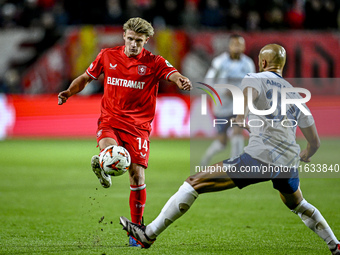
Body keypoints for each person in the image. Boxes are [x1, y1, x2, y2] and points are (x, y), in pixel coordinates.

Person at [119, 44, 340, 254]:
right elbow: (315, 142)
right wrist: (306, 154)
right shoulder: (295, 93)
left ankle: (148, 234)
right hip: (288, 163)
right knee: (298, 203)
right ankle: (335, 245)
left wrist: (241, 115)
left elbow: (250, 93)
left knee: (194, 183)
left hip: (260, 159)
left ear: (263, 62)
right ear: (282, 65)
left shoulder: (254, 78)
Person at [57, 17, 192, 247]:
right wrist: (69, 92)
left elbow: (173, 73)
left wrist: (181, 80)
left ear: (146, 40)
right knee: (111, 150)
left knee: (137, 175)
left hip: (138, 128)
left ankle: (136, 229)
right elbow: (85, 78)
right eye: (130, 39)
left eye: (138, 41)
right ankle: (104, 163)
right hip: (110, 120)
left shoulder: (154, 62)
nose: (133, 44)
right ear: (124, 37)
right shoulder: (107, 56)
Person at [200, 34, 255, 166]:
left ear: (244, 46)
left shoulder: (248, 63)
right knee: (222, 141)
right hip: (222, 105)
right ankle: (206, 158)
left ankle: (235, 165)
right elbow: (208, 82)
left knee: (238, 131)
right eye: (235, 44)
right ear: (229, 46)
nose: (237, 47)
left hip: (239, 105)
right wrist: (222, 92)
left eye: (240, 44)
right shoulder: (219, 62)